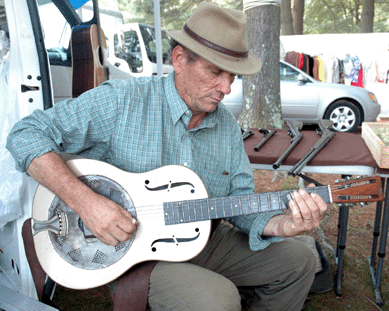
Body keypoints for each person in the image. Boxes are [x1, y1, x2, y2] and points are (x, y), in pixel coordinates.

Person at [7, 2, 327, 310]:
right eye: (215, 72)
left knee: (298, 262)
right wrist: (85, 202)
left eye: (232, 76)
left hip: (200, 236)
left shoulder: (227, 127)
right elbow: (26, 134)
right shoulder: (124, 100)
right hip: (127, 249)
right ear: (178, 58)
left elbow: (239, 205)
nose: (225, 87)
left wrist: (282, 225)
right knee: (218, 299)